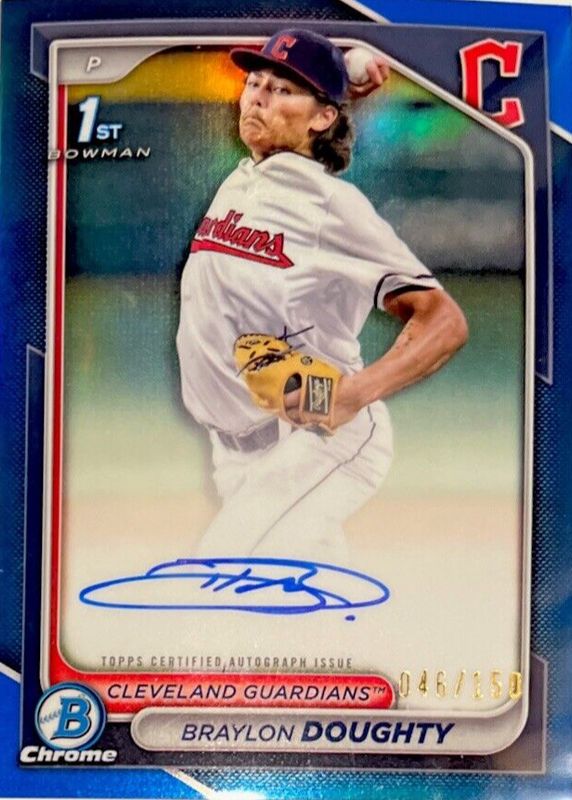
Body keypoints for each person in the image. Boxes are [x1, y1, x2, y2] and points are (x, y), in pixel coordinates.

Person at [176, 29, 468, 563]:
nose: (258, 97)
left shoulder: (329, 203)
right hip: (237, 453)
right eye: (254, 83)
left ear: (322, 118)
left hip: (317, 439)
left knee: (216, 578)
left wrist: (355, 394)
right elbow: (302, 96)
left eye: (281, 90)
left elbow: (444, 320)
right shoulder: (245, 178)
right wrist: (333, 80)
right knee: (298, 601)